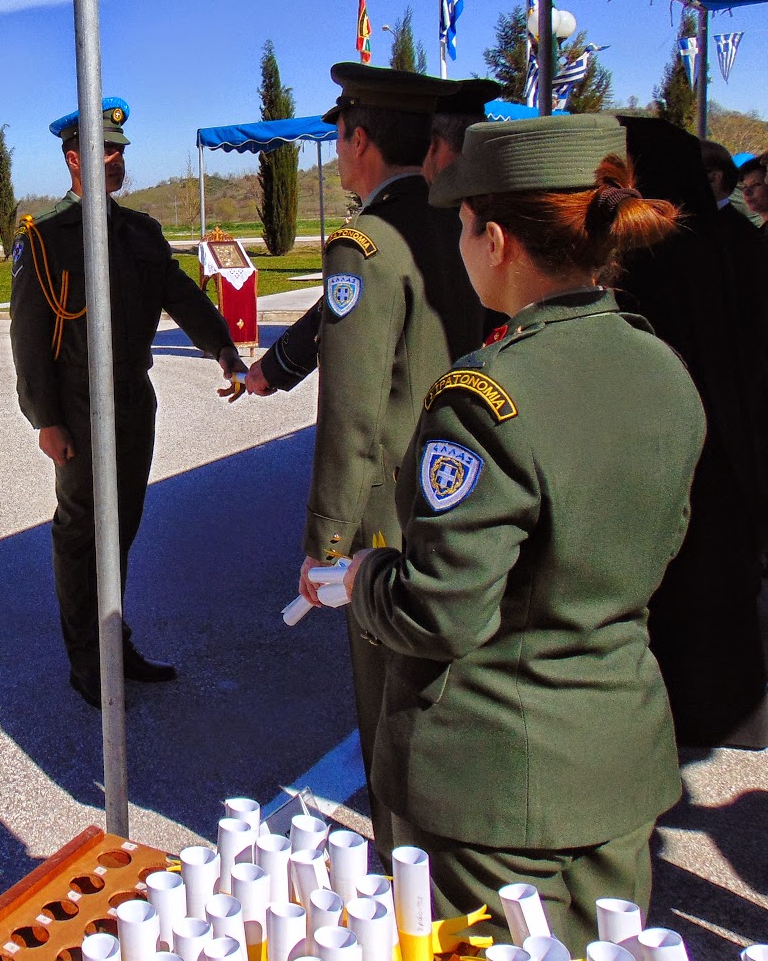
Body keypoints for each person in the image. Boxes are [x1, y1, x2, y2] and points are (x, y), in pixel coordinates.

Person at [329, 114, 702, 946]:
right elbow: (657, 547)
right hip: (615, 768)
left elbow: (441, 613)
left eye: (461, 227)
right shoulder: (661, 368)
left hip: (493, 791)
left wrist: (362, 581)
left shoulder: (486, 399)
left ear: (494, 239)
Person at [282, 65, 488, 852]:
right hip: (463, 487)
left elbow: (354, 417)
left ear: (359, 140)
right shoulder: (457, 222)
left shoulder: (364, 246)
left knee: (390, 700)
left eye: (339, 137)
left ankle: (406, 864)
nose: (339, 152)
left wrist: (325, 543)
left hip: (389, 511)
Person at [10, 97, 247, 709]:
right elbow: (30, 339)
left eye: (119, 151)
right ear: (74, 159)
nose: (115, 161)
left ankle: (115, 643)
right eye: (103, 151)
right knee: (82, 531)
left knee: (122, 529)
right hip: (78, 410)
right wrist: (46, 420)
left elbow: (183, 298)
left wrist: (223, 349)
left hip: (132, 404)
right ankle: (88, 662)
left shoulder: (140, 232)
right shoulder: (46, 242)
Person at [613, 117, 768, 751]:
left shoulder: (653, 256)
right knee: (719, 590)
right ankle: (731, 717)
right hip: (733, 436)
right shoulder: (732, 240)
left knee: (680, 592)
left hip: (677, 444)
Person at [245, 76, 500, 397]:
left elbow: (346, 303)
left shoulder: (424, 216)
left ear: (432, 145)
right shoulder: (495, 208)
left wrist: (276, 366)